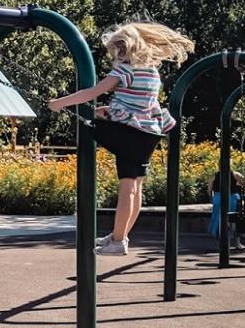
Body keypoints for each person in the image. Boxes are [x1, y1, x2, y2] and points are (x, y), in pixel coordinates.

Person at [48, 22, 195, 256]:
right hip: (149, 134)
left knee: (126, 185)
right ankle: (121, 235)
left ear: (123, 49)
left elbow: (92, 92)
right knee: (136, 186)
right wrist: (111, 109)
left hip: (130, 135)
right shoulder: (151, 71)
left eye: (113, 53)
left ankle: (117, 242)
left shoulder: (124, 69)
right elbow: (139, 102)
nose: (112, 59)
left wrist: (60, 103)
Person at [209, 170, 245, 250]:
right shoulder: (234, 174)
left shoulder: (214, 175)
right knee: (234, 219)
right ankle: (237, 243)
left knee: (218, 220)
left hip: (218, 198)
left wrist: (212, 199)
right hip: (231, 198)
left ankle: (221, 243)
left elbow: (209, 189)